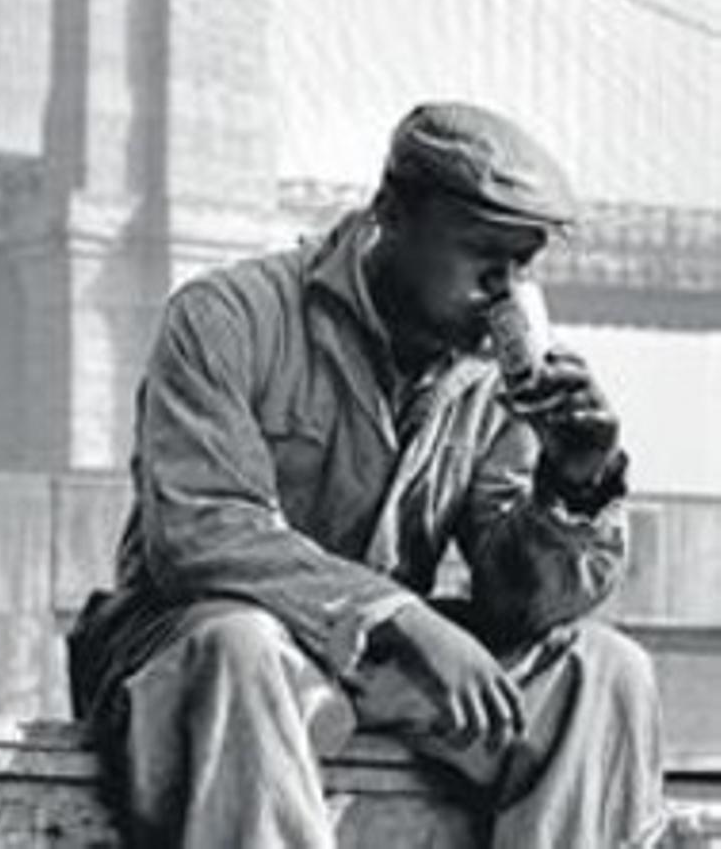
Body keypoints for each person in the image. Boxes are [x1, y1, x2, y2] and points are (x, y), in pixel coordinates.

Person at [68, 101, 666, 848]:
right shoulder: (227, 316)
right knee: (242, 644)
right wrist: (400, 616)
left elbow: (525, 604)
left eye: (523, 265)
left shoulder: (500, 378)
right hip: (188, 651)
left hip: (377, 669)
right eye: (483, 253)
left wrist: (574, 482)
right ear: (392, 212)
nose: (505, 290)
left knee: (604, 669)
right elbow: (202, 534)